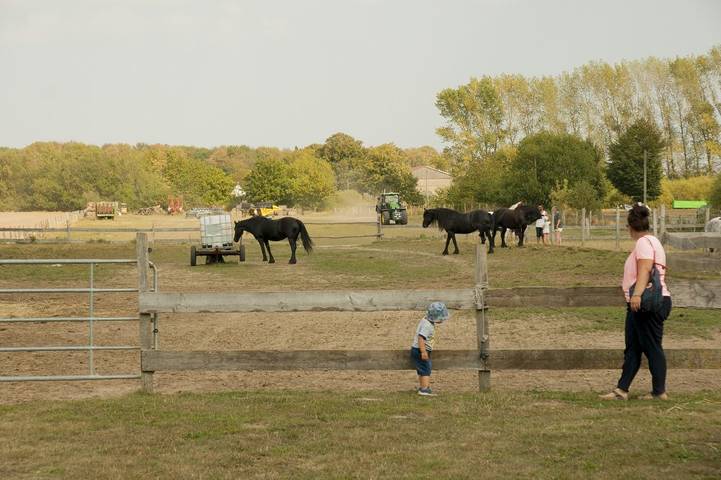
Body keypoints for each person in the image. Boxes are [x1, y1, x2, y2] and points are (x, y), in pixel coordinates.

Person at [601, 204, 672, 401]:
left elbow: (645, 269)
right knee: (633, 347)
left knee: (652, 347)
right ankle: (621, 390)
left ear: (631, 227)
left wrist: (637, 295)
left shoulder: (643, 243)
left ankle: (659, 391)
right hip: (643, 303)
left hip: (645, 303)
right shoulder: (653, 241)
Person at [410, 302, 450, 396]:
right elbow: (421, 338)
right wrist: (423, 352)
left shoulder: (425, 320)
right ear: (436, 317)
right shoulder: (427, 326)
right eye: (441, 318)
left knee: (422, 370)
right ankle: (424, 389)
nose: (442, 320)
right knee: (426, 369)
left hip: (417, 349)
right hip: (420, 350)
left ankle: (423, 387)